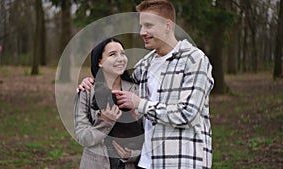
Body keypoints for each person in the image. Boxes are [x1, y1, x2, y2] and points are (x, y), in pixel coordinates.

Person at [78, 0, 214, 168]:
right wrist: (90, 81)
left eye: (148, 25)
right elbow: (119, 85)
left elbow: (188, 114)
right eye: (141, 26)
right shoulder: (145, 65)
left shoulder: (194, 60)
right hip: (147, 163)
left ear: (168, 25)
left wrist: (140, 104)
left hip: (181, 160)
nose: (142, 32)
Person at [74, 37, 144, 169]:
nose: (120, 58)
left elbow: (149, 132)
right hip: (96, 164)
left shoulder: (137, 90)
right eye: (113, 54)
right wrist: (105, 121)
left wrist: (132, 154)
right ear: (99, 62)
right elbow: (83, 137)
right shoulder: (87, 92)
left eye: (123, 53)